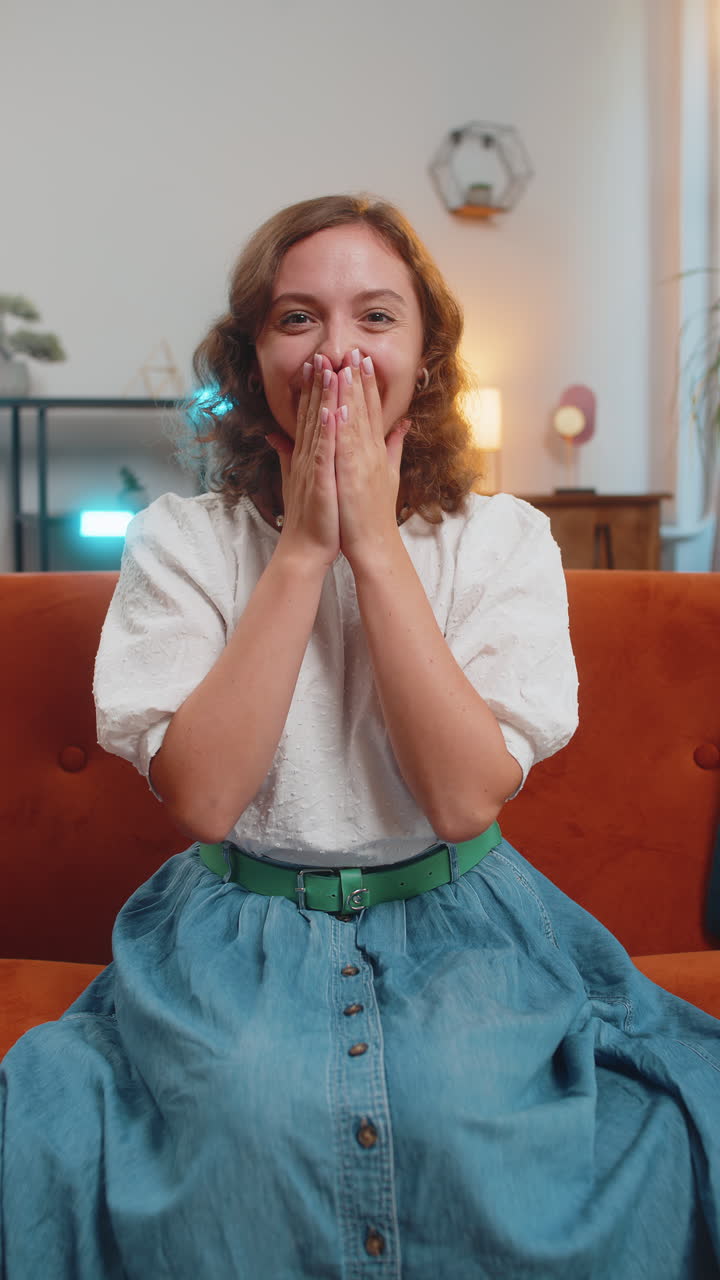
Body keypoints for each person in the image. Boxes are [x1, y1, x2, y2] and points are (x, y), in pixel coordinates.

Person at [1, 194, 719, 1280]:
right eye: (298, 319)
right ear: (252, 358)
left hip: (462, 913)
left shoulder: (504, 540)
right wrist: (303, 550)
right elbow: (202, 795)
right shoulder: (182, 541)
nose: (337, 350)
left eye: (375, 317)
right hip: (232, 924)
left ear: (425, 357)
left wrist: (375, 547)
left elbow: (465, 796)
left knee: (480, 1128)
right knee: (245, 1116)